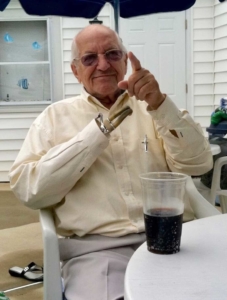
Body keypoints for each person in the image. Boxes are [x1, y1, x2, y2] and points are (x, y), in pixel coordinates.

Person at [9, 24, 213, 300]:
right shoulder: (53, 118)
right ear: (75, 71)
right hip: (97, 251)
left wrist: (161, 104)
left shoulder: (153, 108)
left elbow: (199, 163)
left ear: (125, 60)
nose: (103, 64)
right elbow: (29, 189)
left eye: (113, 54)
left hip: (173, 239)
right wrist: (97, 133)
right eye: (89, 58)